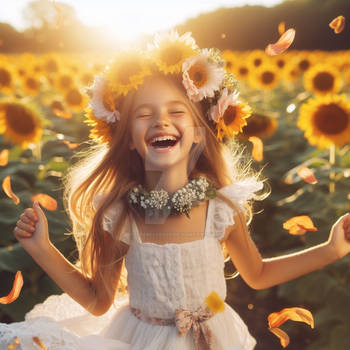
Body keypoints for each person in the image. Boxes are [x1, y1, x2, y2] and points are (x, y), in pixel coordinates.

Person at [1, 31, 350, 350]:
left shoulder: (222, 209)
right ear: (131, 141)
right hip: (142, 339)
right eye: (144, 114)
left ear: (199, 132)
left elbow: (257, 275)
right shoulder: (121, 214)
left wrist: (331, 250)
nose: (160, 121)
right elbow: (98, 301)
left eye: (176, 111)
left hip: (216, 334)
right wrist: (42, 249)